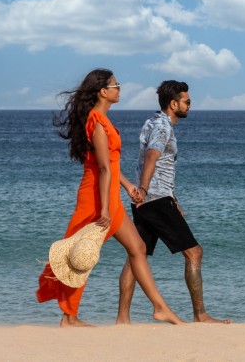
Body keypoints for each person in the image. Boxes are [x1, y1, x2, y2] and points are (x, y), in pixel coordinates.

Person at [36, 68, 185, 327]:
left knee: (137, 248)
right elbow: (103, 169)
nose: (120, 89)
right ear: (103, 92)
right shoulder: (97, 122)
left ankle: (160, 308)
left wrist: (128, 186)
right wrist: (105, 208)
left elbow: (110, 166)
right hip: (95, 197)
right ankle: (69, 318)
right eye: (116, 85)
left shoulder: (102, 121)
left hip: (107, 194)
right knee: (80, 255)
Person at [116, 80, 230, 325]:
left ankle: (122, 319)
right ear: (173, 103)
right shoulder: (163, 128)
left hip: (149, 200)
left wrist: (169, 197)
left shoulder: (152, 122)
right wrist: (146, 190)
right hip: (155, 199)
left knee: (137, 256)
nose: (190, 106)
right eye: (187, 102)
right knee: (194, 252)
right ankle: (200, 315)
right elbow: (152, 157)